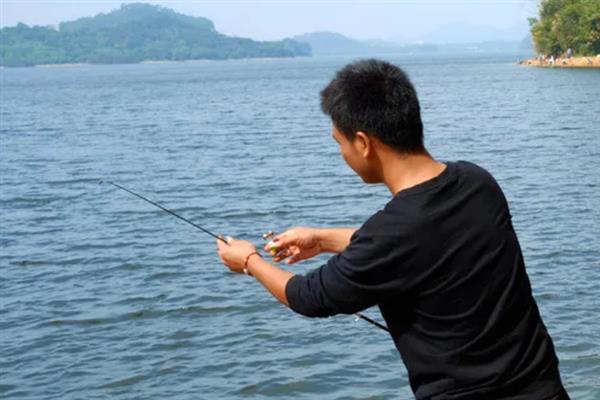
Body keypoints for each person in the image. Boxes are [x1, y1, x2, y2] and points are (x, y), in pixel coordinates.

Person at [216, 59, 569, 400]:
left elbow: (306, 297)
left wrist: (248, 260)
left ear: (364, 143)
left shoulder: (393, 232)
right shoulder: (477, 182)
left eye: (339, 142)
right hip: (545, 388)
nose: (341, 153)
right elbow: (420, 240)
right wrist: (322, 239)